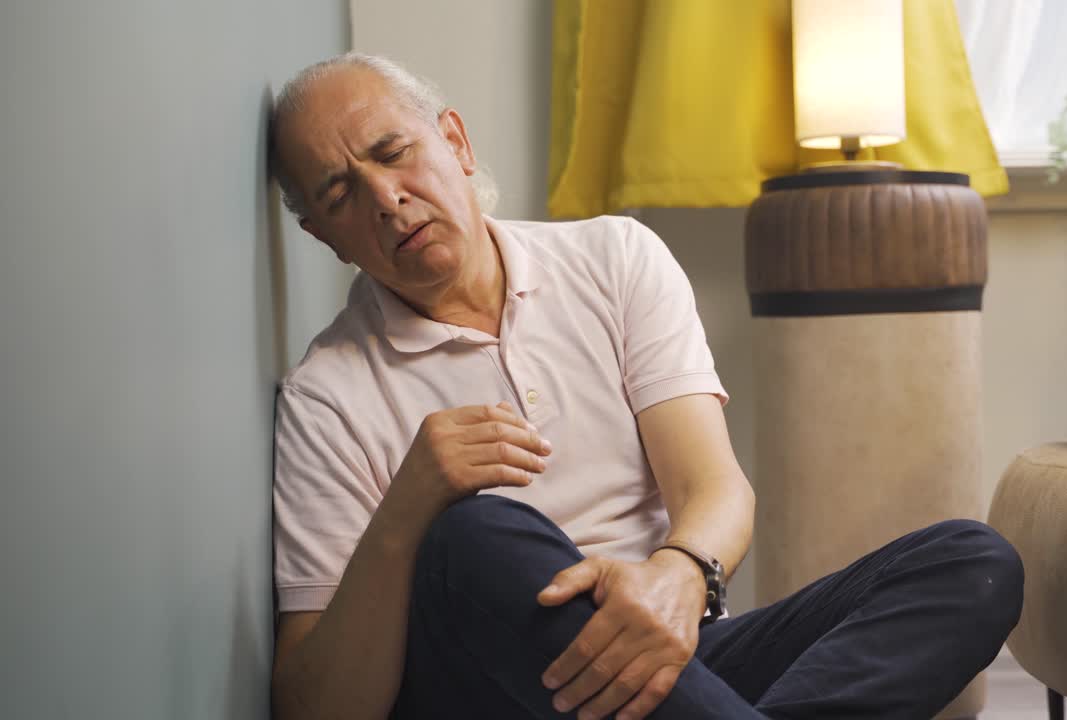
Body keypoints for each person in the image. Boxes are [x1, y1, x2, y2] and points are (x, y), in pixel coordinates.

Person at [267, 52, 1023, 720]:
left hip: (675, 655)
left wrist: (677, 577)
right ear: (321, 236)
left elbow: (714, 489)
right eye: (339, 195)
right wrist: (408, 508)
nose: (385, 198)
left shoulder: (615, 257)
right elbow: (316, 706)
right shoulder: (326, 395)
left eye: (394, 153)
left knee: (970, 562)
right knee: (471, 535)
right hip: (500, 693)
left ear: (455, 142)